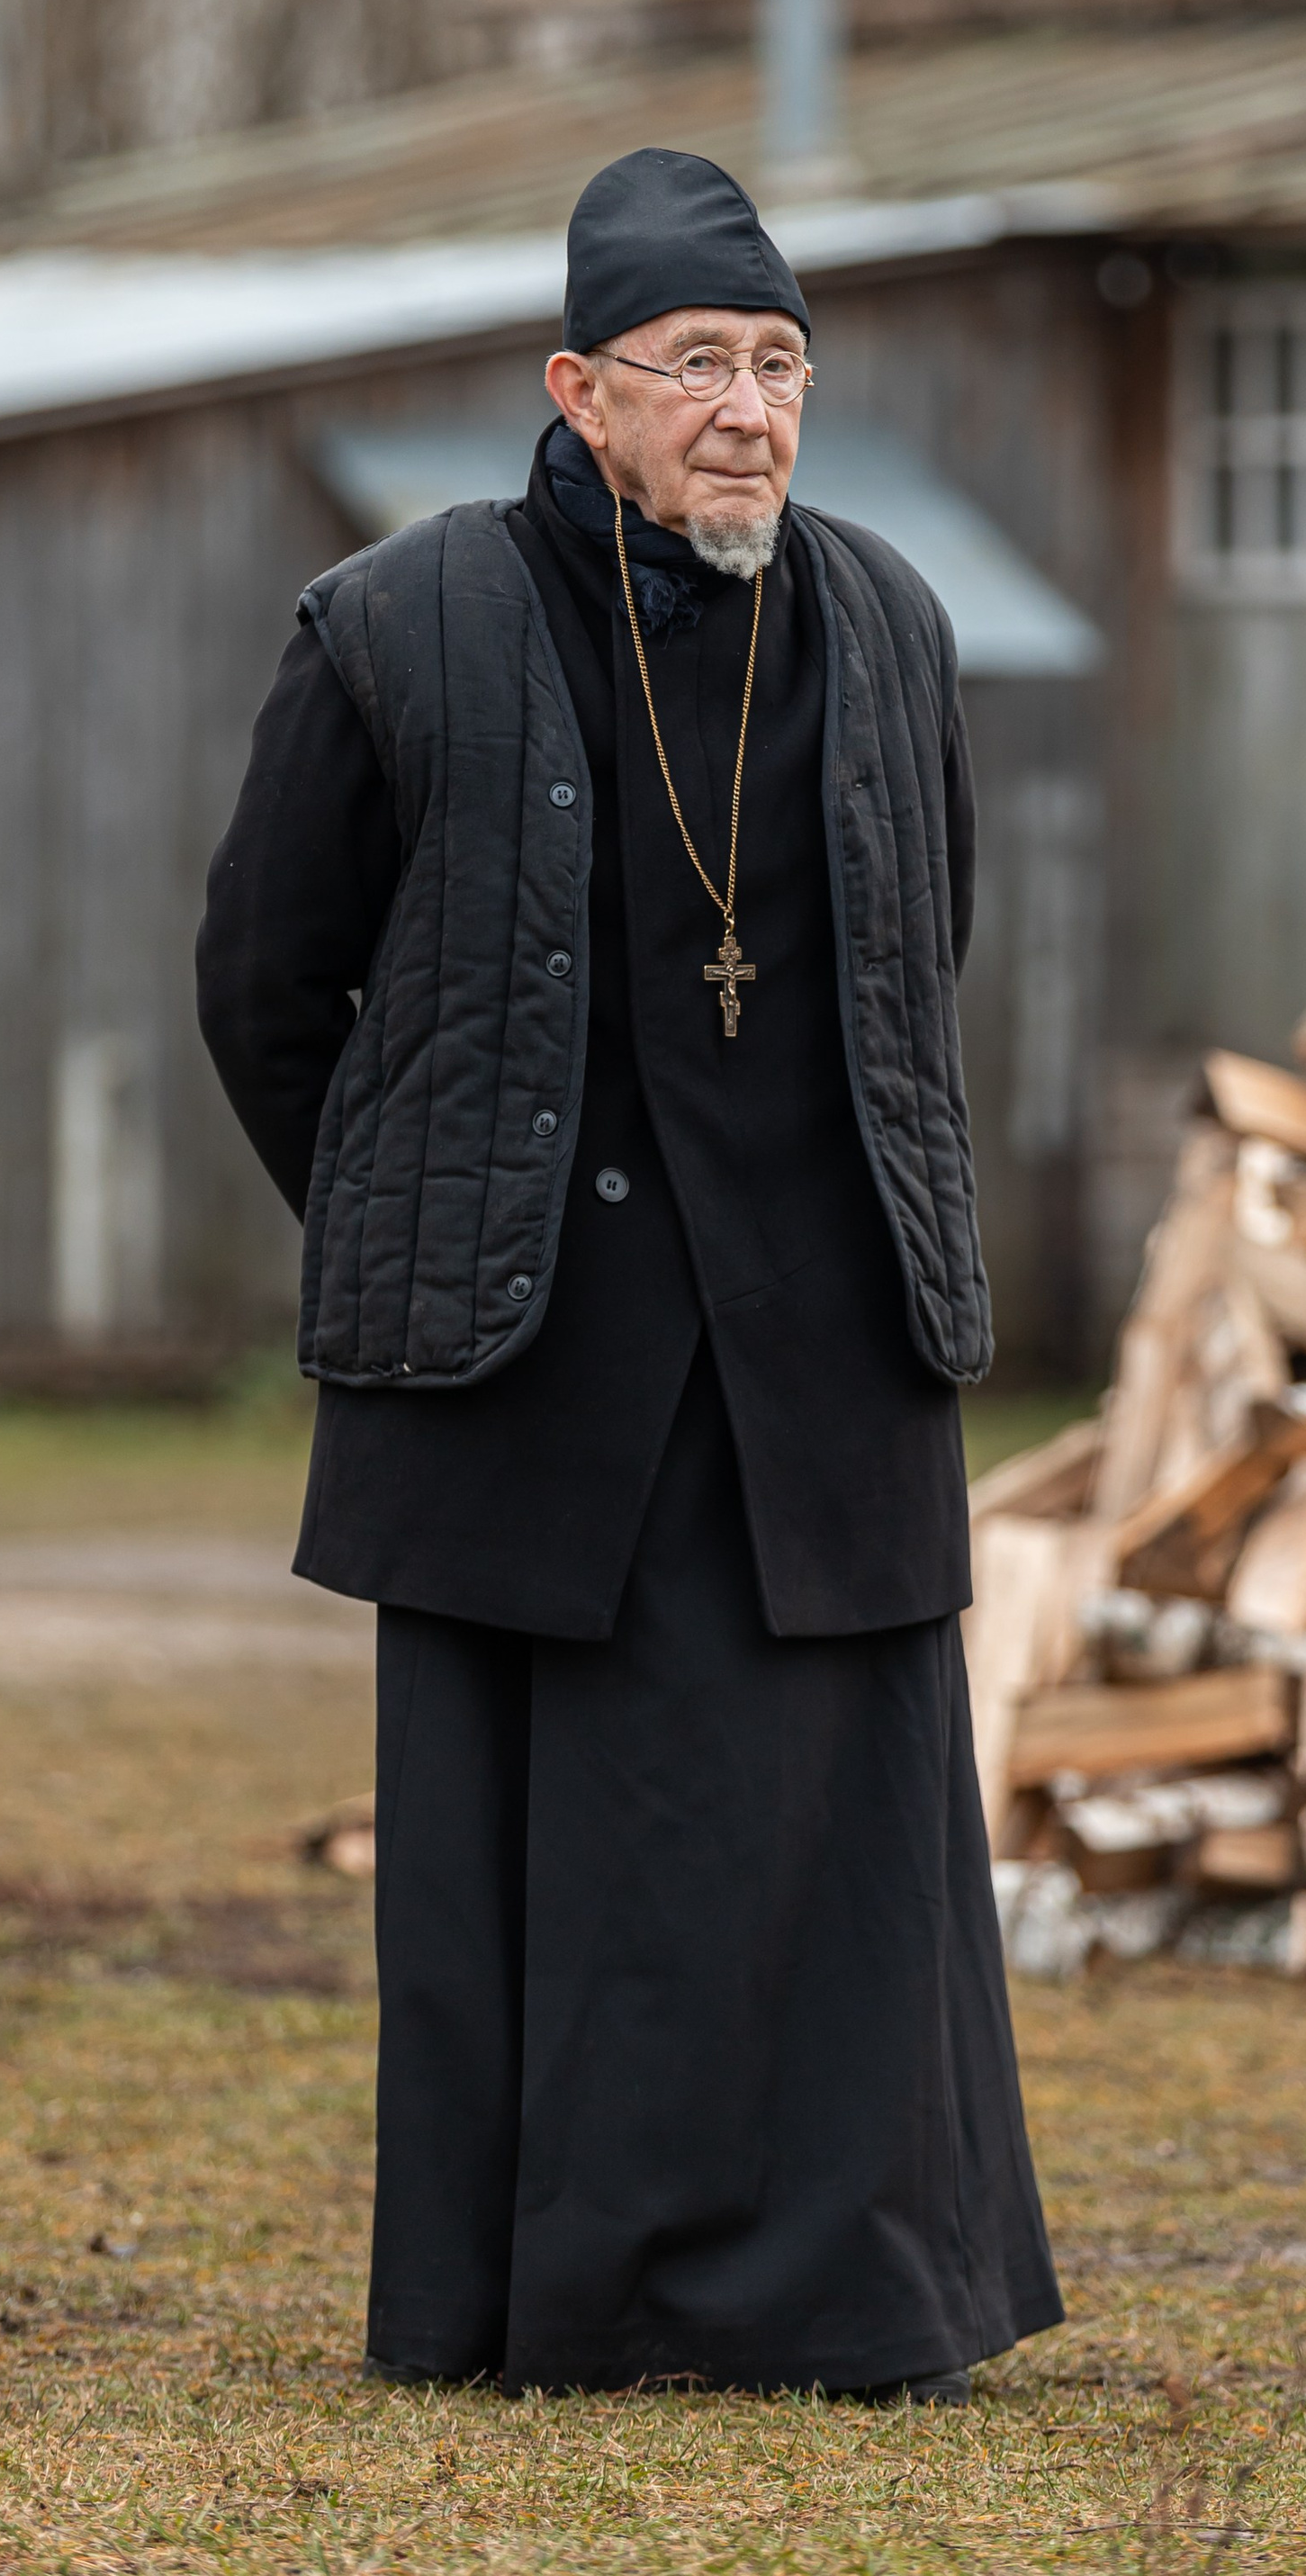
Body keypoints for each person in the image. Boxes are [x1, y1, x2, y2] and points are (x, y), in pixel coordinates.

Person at [196, 144, 1059, 2401]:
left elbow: (916, 943)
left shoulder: (879, 615)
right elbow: (264, 989)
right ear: (579, 389)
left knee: (828, 1850)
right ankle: (551, 2304)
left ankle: (846, 2296)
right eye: (698, 367)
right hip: (530, 1364)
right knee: (555, 1853)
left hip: (825, 1350)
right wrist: (424, 1210)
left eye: (779, 363)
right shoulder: (398, 622)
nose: (750, 408)